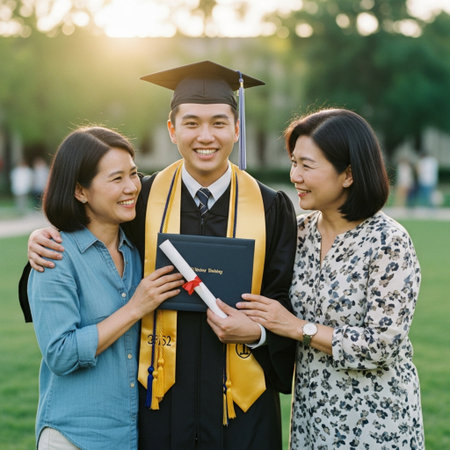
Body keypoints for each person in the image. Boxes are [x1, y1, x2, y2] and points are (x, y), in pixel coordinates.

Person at [20, 61, 297, 450]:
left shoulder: (271, 208)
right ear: (172, 129)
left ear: (237, 128)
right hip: (161, 406)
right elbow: (92, 248)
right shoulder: (142, 199)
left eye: (219, 123)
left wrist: (259, 333)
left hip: (242, 406)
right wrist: (41, 241)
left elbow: (285, 298)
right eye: (191, 123)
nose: (206, 136)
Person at [238, 109, 425, 449]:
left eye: (307, 166)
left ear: (349, 175)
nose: (295, 175)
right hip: (312, 419)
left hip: (375, 423)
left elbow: (382, 345)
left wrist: (296, 327)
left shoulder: (389, 242)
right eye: (293, 162)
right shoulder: (298, 232)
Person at [27, 126, 184, 449]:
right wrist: (134, 309)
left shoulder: (140, 251)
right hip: (73, 438)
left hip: (128, 437)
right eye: (116, 179)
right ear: (80, 191)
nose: (132, 188)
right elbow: (61, 353)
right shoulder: (56, 256)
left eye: (134, 174)